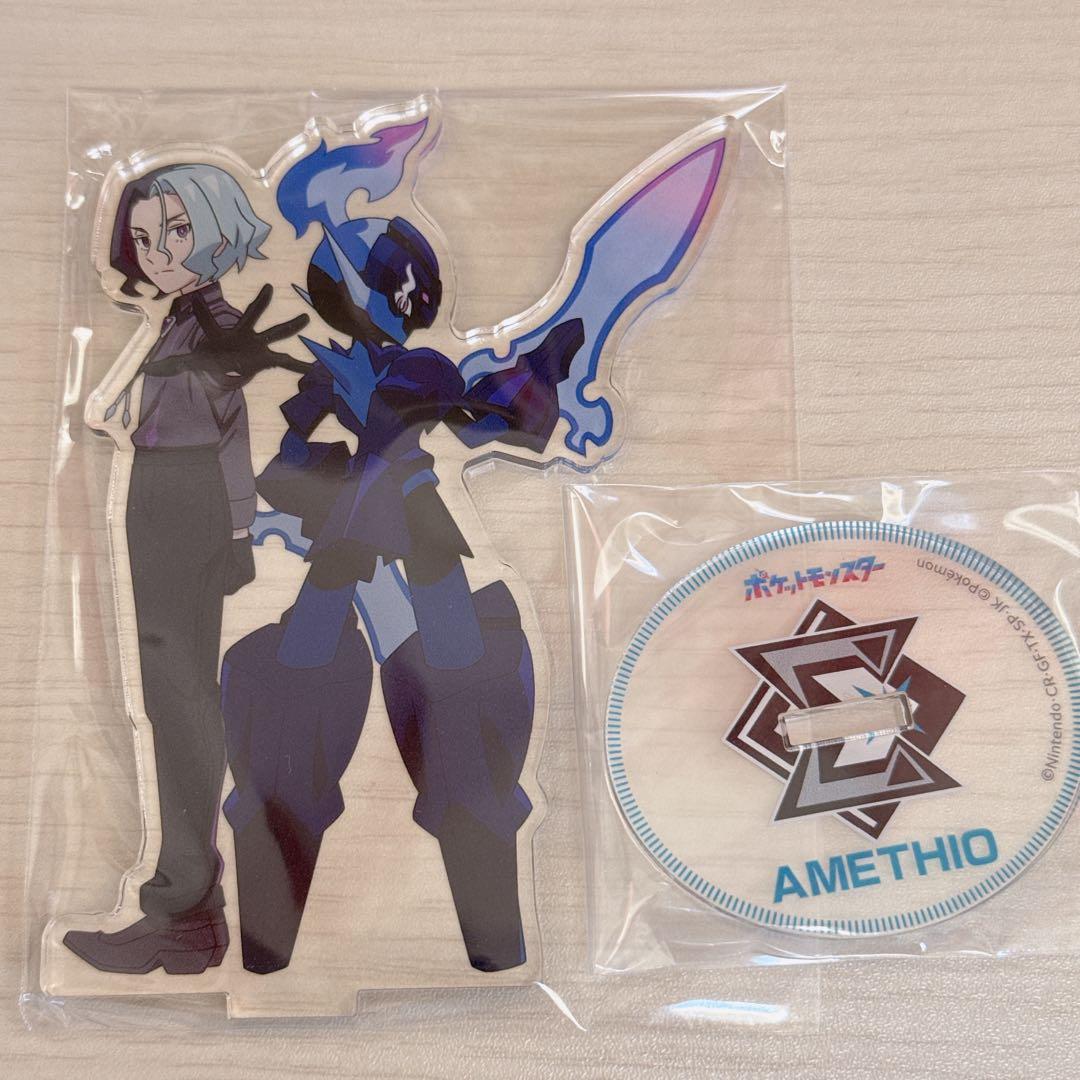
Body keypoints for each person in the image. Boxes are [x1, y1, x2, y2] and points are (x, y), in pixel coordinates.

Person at [64, 163, 307, 975]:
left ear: (217, 227)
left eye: (177, 230)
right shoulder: (176, 323)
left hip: (180, 502)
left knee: (178, 701)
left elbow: (228, 428)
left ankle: (183, 906)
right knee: (173, 698)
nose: (159, 252)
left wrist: (235, 527)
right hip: (168, 500)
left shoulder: (213, 327)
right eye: (143, 238)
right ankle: (192, 916)